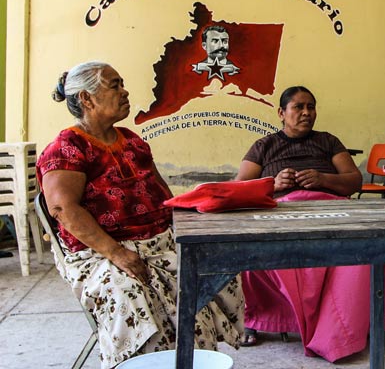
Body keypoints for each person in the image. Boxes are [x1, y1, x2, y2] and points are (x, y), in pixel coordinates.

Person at [36, 61, 244, 369]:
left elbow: (163, 195)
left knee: (211, 274)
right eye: (115, 85)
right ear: (86, 99)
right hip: (101, 252)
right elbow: (63, 209)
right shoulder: (67, 147)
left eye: (122, 84)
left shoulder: (131, 140)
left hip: (159, 244)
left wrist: (197, 220)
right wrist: (118, 254)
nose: (125, 92)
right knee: (131, 294)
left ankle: (192, 361)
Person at [235, 85, 385, 362]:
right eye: (298, 107)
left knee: (365, 250)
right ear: (281, 113)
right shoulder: (264, 146)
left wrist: (323, 179)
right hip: (283, 210)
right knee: (257, 250)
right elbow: (239, 187)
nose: (306, 113)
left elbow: (353, 180)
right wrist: (272, 184)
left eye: (311, 107)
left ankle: (357, 323)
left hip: (331, 208)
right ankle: (264, 320)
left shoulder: (328, 142)